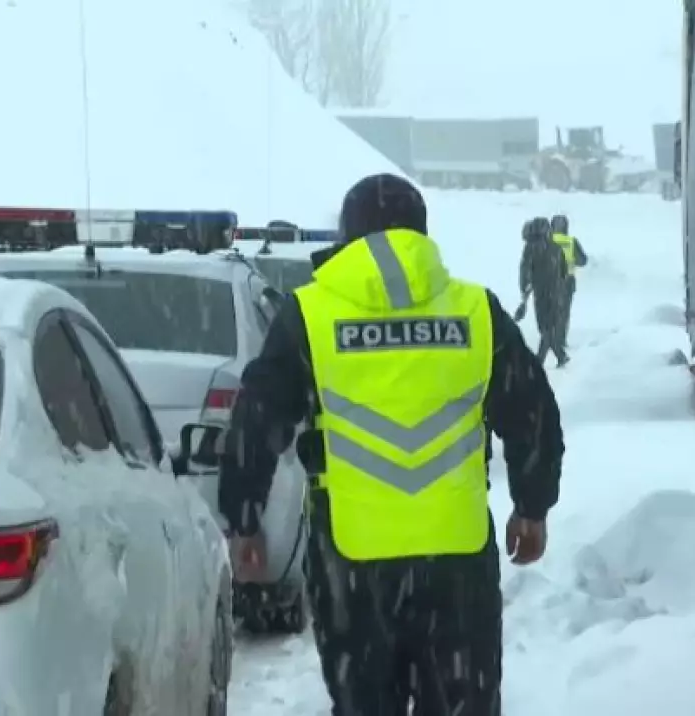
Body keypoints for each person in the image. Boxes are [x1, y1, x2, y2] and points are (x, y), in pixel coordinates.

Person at [218, 173, 564, 715]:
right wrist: (532, 505)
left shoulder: (310, 315)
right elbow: (532, 412)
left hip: (352, 568)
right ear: (422, 234)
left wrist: (243, 517)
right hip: (457, 562)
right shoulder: (476, 311)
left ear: (348, 236)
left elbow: (257, 418)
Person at [514, 217, 570, 367]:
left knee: (544, 328)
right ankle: (560, 356)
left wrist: (524, 290)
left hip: (541, 294)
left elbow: (524, 271)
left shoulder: (530, 248)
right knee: (548, 328)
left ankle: (539, 362)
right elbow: (564, 272)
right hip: (556, 293)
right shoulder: (556, 247)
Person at [549, 214, 588, 345]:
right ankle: (560, 340)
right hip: (567, 281)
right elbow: (583, 261)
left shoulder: (547, 240)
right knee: (564, 312)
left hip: (549, 281)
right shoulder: (571, 241)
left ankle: (549, 338)